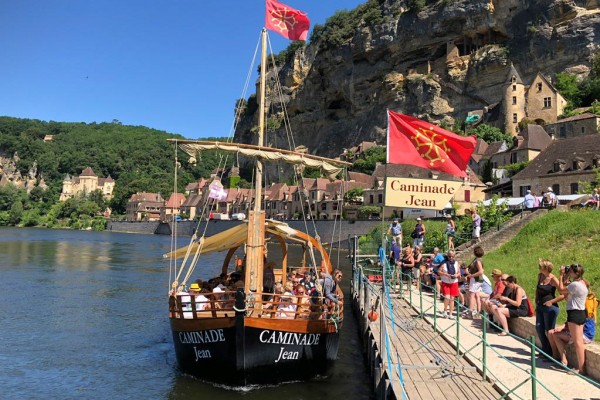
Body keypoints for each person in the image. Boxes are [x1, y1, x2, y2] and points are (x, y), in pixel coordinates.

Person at [553, 264, 588, 374]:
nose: (569, 273)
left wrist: (561, 275)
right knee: (578, 342)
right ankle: (581, 368)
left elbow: (561, 290)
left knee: (578, 343)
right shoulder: (582, 283)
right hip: (581, 313)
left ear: (576, 273)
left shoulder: (575, 285)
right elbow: (567, 290)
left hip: (575, 314)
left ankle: (581, 369)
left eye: (571, 272)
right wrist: (566, 278)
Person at [535, 259, 562, 360]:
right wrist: (536, 300)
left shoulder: (553, 279)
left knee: (548, 329)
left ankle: (550, 352)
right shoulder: (540, 276)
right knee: (539, 328)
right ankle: (545, 350)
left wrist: (552, 301)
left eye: (541, 266)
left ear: (546, 268)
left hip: (550, 307)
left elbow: (563, 294)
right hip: (540, 306)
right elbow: (537, 289)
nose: (539, 267)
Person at [464, 245, 485, 319]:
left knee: (472, 296)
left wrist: (471, 275)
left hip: (476, 280)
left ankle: (470, 313)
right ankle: (478, 312)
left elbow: (481, 271)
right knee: (477, 295)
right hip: (478, 280)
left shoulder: (478, 261)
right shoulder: (477, 259)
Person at [439, 250, 460, 319]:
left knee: (452, 298)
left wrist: (456, 275)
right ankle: (445, 311)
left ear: (454, 256)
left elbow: (459, 273)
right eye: (449, 256)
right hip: (446, 282)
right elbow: (439, 272)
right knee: (447, 297)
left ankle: (450, 314)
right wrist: (445, 274)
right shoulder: (444, 263)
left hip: (454, 282)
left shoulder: (457, 263)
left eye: (452, 256)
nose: (451, 258)